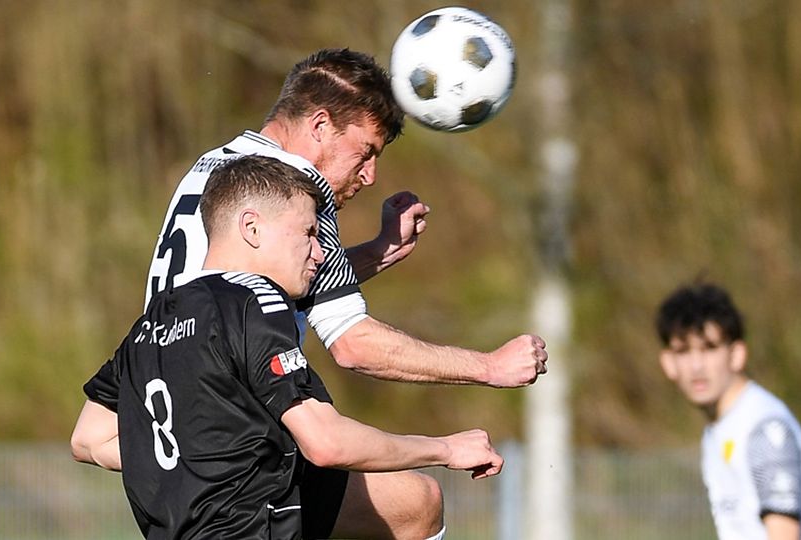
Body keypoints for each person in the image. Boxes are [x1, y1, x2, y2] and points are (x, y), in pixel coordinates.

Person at [132, 47, 546, 539]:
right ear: (321, 125)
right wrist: (490, 367)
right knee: (416, 502)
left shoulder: (217, 171)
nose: (370, 174)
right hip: (235, 440)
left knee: (410, 502)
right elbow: (353, 344)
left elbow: (254, 285)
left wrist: (378, 252)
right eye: (366, 151)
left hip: (171, 431)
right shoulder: (294, 187)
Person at [72, 155, 503, 540]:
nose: (319, 252)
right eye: (309, 233)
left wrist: (200, 458)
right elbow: (327, 443)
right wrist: (446, 448)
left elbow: (88, 440)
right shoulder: (253, 297)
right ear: (252, 228)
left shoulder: (150, 323)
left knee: (414, 502)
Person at [655, 282, 801, 540]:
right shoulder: (720, 430)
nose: (696, 366)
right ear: (668, 363)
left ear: (736, 354)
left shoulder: (764, 428)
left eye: (709, 348)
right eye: (683, 351)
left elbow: (783, 535)